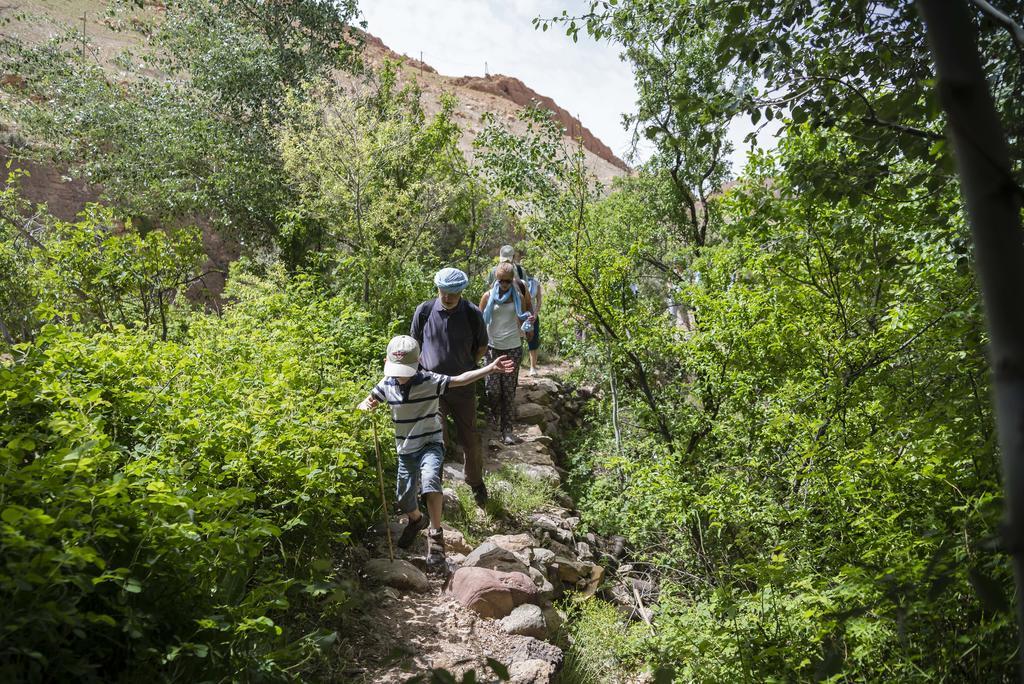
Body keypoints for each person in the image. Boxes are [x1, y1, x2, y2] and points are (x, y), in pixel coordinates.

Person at [358, 335, 513, 569]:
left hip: (431, 442)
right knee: (403, 497)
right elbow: (369, 400)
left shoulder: (429, 380)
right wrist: (365, 405)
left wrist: (490, 368)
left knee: (430, 481)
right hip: (405, 449)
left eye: (406, 369)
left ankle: (436, 536)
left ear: (418, 362)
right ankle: (417, 520)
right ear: (386, 362)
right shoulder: (386, 384)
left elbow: (460, 379)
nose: (401, 374)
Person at [411, 268, 491, 507]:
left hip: (463, 387)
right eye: (443, 292)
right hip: (432, 387)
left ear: (461, 291)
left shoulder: (472, 313)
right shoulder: (424, 311)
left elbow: (482, 347)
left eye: (453, 293)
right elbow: (415, 345)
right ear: (438, 289)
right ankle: (432, 489)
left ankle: (475, 482)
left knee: (470, 438)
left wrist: (467, 368)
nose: (447, 297)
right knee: (436, 439)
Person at [479, 262, 534, 445]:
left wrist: (529, 325)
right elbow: (479, 321)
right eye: (501, 281)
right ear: (496, 279)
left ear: (512, 280)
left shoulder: (518, 295)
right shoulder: (487, 296)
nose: (504, 284)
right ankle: (494, 422)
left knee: (509, 391)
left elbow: (527, 314)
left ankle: (507, 430)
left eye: (507, 281)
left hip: (513, 347)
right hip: (492, 348)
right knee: (493, 390)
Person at [526, 274, 542, 376]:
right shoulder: (520, 280)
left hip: (532, 315)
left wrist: (535, 314)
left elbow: (539, 300)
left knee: (533, 341)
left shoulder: (536, 283)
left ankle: (533, 367)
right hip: (520, 315)